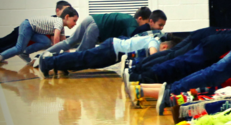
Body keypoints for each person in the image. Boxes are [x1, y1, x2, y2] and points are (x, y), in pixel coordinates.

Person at [127, 32, 231, 85]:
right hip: (214, 46)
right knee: (180, 62)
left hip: (208, 37)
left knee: (174, 57)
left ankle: (136, 68)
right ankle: (140, 76)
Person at [38, 33, 170, 78]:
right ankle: (48, 62)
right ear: (164, 47)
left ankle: (60, 63)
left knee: (85, 62)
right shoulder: (155, 42)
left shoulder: (153, 41)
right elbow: (153, 56)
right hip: (112, 49)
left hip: (113, 52)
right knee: (83, 58)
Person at [42, 7, 151, 54]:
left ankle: (44, 54)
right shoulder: (132, 22)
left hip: (91, 19)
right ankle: (56, 62)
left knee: (69, 42)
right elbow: (133, 37)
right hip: (96, 26)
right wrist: (149, 27)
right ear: (140, 19)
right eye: (145, 23)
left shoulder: (127, 18)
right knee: (82, 53)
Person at [0, 7, 79, 64]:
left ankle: (24, 53)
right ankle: (1, 56)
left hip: (33, 30)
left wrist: (69, 56)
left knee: (46, 42)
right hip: (28, 26)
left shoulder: (61, 27)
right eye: (74, 20)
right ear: (67, 17)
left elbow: (65, 42)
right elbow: (56, 39)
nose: (75, 24)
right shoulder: (59, 22)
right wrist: (56, 54)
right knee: (19, 48)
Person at [0, 1, 72, 53]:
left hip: (31, 36)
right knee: (5, 43)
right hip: (24, 31)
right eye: (66, 10)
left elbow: (62, 40)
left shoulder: (60, 23)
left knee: (10, 47)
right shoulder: (56, 21)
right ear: (57, 11)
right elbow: (55, 41)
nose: (68, 12)